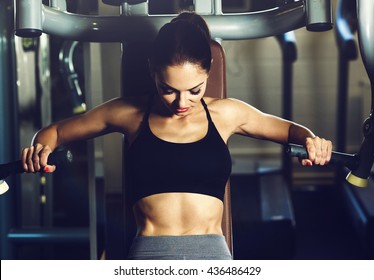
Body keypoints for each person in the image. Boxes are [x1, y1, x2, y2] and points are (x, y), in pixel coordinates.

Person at [21, 11, 332, 260]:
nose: (181, 103)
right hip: (149, 255)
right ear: (152, 72)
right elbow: (57, 131)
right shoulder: (129, 113)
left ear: (208, 73)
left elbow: (292, 131)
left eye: (194, 91)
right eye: (168, 90)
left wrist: (311, 141)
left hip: (212, 257)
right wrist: (41, 148)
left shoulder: (227, 114)